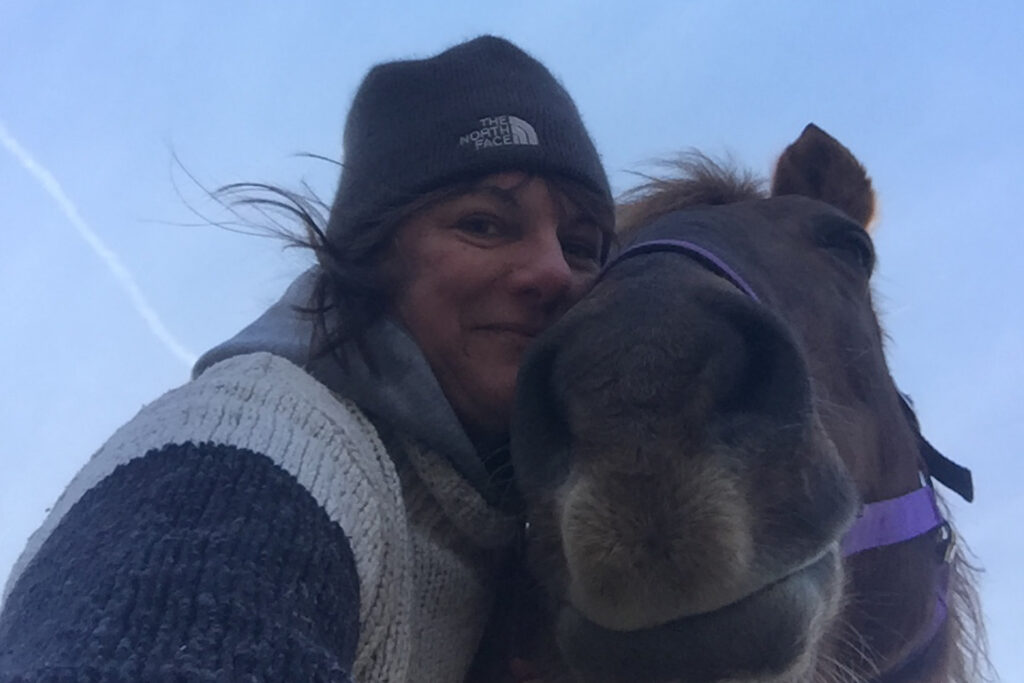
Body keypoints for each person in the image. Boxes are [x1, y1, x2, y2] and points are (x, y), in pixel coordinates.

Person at [0, 36, 612, 681]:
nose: (553, 272)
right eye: (483, 224)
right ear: (372, 256)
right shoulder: (247, 456)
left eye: (581, 246)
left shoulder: (517, 552)